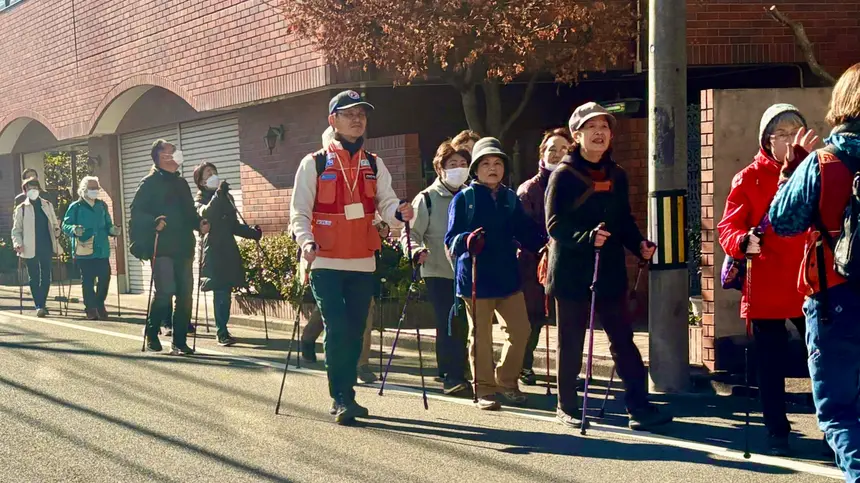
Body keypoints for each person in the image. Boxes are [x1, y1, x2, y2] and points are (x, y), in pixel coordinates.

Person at [289, 90, 413, 425]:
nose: (357, 119)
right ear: (333, 120)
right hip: (326, 261)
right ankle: (341, 397)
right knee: (338, 329)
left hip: (362, 259)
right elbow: (298, 212)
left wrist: (398, 213)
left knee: (356, 330)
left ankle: (348, 393)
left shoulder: (374, 162)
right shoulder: (313, 162)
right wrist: (306, 241)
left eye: (361, 114)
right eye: (348, 113)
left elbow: (385, 204)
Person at [546, 102, 671, 431]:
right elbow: (554, 225)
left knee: (623, 339)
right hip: (572, 272)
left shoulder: (618, 174)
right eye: (591, 127)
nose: (599, 132)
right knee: (570, 341)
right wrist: (587, 237)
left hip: (610, 269)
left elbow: (624, 220)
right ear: (577, 135)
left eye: (604, 126)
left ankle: (639, 408)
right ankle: (567, 407)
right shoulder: (563, 175)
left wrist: (639, 244)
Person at [769, 63, 860, 480]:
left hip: (835, 296)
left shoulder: (824, 161)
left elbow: (782, 221)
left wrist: (790, 173)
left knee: (840, 414)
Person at [717, 104, 818, 456]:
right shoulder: (749, 177)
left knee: (821, 358)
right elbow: (728, 226)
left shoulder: (816, 171)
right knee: (770, 363)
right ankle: (777, 429)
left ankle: (834, 428)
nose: (791, 140)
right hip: (766, 280)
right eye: (783, 134)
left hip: (809, 278)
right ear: (766, 140)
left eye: (796, 131)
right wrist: (742, 241)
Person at [444, 137, 545, 411]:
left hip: (507, 277)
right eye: (486, 163)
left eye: (498, 163)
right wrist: (467, 241)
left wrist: (546, 242)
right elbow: (451, 239)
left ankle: (507, 381)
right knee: (481, 335)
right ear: (475, 169)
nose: (492, 168)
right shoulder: (465, 199)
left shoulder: (510, 198)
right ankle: (485, 389)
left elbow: (525, 232)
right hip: (475, 277)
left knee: (521, 331)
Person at [402, 141, 471, 395]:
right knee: (449, 321)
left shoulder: (471, 194)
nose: (459, 169)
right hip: (438, 270)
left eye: (463, 164)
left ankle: (458, 369)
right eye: (453, 164)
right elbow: (411, 233)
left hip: (467, 271)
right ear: (440, 168)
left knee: (465, 323)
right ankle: (451, 375)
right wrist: (415, 250)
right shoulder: (427, 198)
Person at [129, 140, 209, 355]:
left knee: (185, 295)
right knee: (165, 292)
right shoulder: (149, 183)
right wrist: (154, 221)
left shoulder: (181, 183)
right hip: (161, 246)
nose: (177, 154)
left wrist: (199, 223)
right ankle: (152, 330)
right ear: (161, 157)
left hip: (184, 246)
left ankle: (179, 341)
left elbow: (189, 212)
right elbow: (136, 212)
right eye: (172, 151)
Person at [516, 127, 572, 386]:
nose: (557, 153)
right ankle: (523, 364)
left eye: (563, 149)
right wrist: (544, 244)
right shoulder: (529, 190)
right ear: (542, 153)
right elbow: (522, 229)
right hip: (533, 262)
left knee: (568, 315)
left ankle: (567, 371)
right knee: (532, 317)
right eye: (551, 149)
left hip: (569, 259)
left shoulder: (576, 183)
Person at [193, 161, 263, 347]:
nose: (212, 175)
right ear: (200, 181)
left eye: (214, 171)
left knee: (226, 291)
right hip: (213, 249)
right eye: (208, 173)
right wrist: (218, 194)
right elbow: (206, 214)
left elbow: (232, 225)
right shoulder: (200, 199)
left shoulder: (226, 196)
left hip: (228, 248)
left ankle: (223, 327)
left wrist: (251, 233)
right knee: (221, 291)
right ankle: (221, 331)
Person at [62, 176, 121, 320]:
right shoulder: (75, 207)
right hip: (84, 249)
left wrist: (113, 230)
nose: (95, 191)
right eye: (92, 188)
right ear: (83, 190)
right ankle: (90, 308)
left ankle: (99, 303)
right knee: (87, 280)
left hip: (101, 248)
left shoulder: (102, 205)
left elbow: (108, 224)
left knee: (105, 277)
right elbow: (65, 225)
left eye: (97, 188)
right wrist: (74, 229)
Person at [11, 178, 60, 317]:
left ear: (39, 189)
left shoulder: (47, 205)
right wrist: (17, 243)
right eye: (29, 188)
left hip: (46, 244)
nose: (33, 190)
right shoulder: (21, 209)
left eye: (35, 187)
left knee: (46, 276)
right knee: (34, 276)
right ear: (25, 191)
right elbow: (16, 230)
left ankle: (42, 303)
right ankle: (38, 305)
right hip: (29, 246)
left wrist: (57, 231)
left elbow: (54, 223)